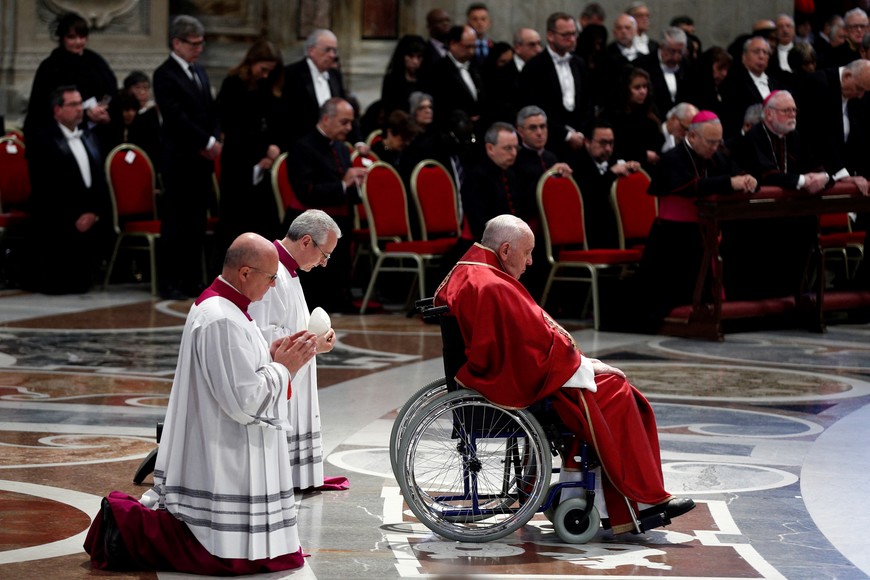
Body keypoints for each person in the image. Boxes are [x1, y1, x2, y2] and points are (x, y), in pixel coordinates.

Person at [433, 214, 695, 535]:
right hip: (517, 385)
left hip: (518, 374)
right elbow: (525, 352)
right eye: (527, 253)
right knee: (615, 389)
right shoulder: (490, 285)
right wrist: (581, 366)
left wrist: (579, 362)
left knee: (612, 385)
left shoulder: (474, 270)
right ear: (504, 250)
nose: (530, 262)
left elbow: (528, 340)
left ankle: (585, 492)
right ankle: (638, 501)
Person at [84, 233, 316, 574]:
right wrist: (285, 368)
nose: (272, 285)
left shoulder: (229, 308)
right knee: (221, 550)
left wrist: (271, 354)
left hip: (218, 437)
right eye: (270, 278)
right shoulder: (221, 318)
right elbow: (244, 401)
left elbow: (238, 370)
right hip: (223, 445)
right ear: (245, 273)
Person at [249, 210, 343, 491]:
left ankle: (296, 474)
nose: (324, 264)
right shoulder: (271, 270)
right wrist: (313, 341)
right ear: (305, 242)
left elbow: (287, 325)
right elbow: (261, 334)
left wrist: (315, 339)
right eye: (324, 255)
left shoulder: (287, 271)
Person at [636, 111, 756, 330]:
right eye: (710, 142)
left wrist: (748, 179)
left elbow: (736, 173)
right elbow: (690, 186)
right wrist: (730, 182)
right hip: (674, 235)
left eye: (717, 142)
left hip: (707, 229)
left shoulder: (716, 155)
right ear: (692, 137)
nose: (714, 147)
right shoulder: (673, 158)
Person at [727, 90, 826, 301]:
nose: (793, 115)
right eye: (786, 110)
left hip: (792, 215)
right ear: (769, 114)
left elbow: (815, 166)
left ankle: (796, 296)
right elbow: (766, 174)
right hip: (757, 218)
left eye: (794, 110)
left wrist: (823, 177)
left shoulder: (795, 137)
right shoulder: (754, 137)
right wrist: (802, 181)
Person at [153, 15, 222, 299]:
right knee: (176, 223)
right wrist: (205, 140)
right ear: (176, 42)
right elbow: (175, 116)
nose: (198, 49)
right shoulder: (165, 74)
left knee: (196, 223)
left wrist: (215, 137)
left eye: (201, 43)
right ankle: (171, 281)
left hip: (200, 162)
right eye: (193, 44)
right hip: (179, 159)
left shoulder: (200, 72)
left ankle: (193, 279)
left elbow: (211, 110)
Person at [22, 85, 111, 294]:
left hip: (88, 214)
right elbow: (46, 186)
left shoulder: (89, 136)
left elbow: (99, 179)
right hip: (57, 216)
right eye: (72, 104)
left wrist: (93, 212)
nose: (79, 109)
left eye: (80, 103)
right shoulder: (42, 140)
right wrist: (76, 215)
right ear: (57, 110)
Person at [287, 97, 365, 312]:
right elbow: (306, 191)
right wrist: (343, 183)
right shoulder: (302, 146)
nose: (349, 128)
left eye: (351, 123)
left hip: (340, 217)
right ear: (326, 118)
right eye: (344, 122)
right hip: (311, 221)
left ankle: (339, 298)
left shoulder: (341, 147)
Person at [214, 40, 285, 265]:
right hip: (238, 162)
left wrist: (271, 151)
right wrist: (264, 148)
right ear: (251, 62)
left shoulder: (267, 87)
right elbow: (234, 126)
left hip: (262, 165)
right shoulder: (233, 84)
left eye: (270, 71)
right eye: (262, 69)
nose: (265, 75)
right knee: (234, 222)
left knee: (262, 224)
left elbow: (273, 122)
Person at [23, 12, 116, 151]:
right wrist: (84, 112)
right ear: (62, 38)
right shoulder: (50, 67)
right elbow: (42, 108)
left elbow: (111, 90)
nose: (78, 42)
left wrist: (104, 111)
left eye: (82, 36)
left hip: (97, 136)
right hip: (60, 141)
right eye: (72, 37)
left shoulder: (96, 62)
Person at [520, 12, 594, 164]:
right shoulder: (534, 67)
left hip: (579, 142)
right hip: (549, 144)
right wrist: (566, 135)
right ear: (550, 35)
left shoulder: (579, 63)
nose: (572, 39)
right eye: (566, 35)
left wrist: (580, 133)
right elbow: (535, 107)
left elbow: (588, 102)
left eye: (574, 34)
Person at [573, 119, 642, 250]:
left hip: (617, 227)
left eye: (611, 143)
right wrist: (611, 174)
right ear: (587, 142)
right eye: (603, 143)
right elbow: (590, 197)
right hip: (591, 229)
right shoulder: (576, 164)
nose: (608, 148)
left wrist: (633, 172)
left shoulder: (616, 160)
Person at [281, 29, 358, 146]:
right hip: (300, 144)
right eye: (327, 50)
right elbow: (285, 114)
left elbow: (345, 108)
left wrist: (358, 141)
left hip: (332, 144)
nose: (332, 55)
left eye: (334, 50)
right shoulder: (292, 74)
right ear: (311, 50)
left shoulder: (335, 75)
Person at [599, 66, 664, 169]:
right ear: (625, 89)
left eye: (645, 87)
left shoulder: (650, 115)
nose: (643, 92)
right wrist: (642, 155)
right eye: (637, 88)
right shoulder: (611, 117)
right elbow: (615, 148)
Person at [721, 37, 782, 138]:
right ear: (744, 57)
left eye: (765, 52)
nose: (761, 56)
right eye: (756, 52)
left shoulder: (776, 84)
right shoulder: (733, 83)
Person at [427, 25, 483, 133]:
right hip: (451, 130)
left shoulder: (476, 67)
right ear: (453, 44)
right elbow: (441, 104)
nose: (471, 51)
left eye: (474, 47)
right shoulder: (439, 70)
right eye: (467, 47)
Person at [636, 27, 692, 121]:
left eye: (680, 52)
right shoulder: (643, 65)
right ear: (661, 46)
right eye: (672, 51)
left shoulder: (687, 66)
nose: (676, 57)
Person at [380, 34, 427, 117]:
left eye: (419, 57)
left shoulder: (426, 80)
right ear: (402, 56)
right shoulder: (392, 80)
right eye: (411, 56)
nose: (415, 61)